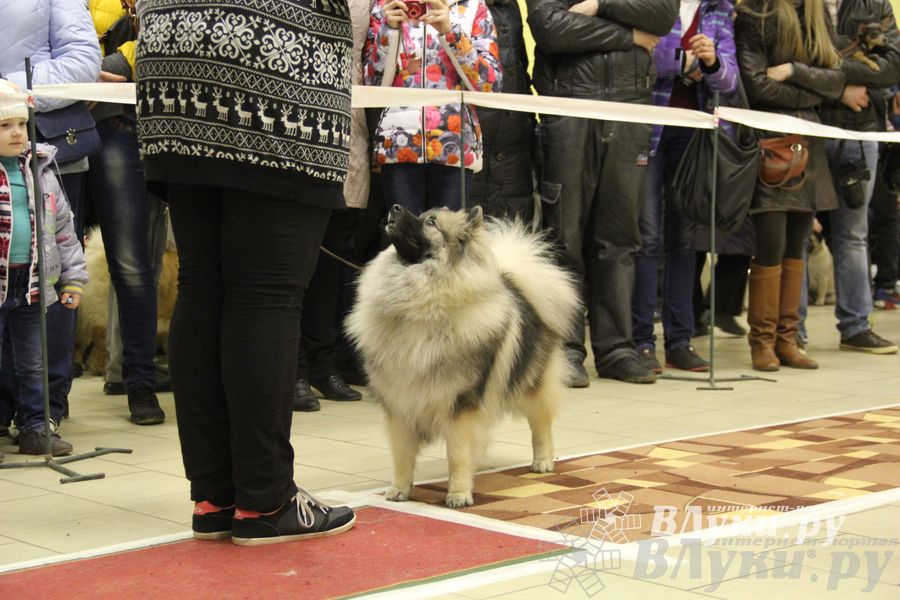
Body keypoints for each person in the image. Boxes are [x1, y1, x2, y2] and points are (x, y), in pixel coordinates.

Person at [135, 0, 356, 544]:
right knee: (265, 295)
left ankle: (215, 496)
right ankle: (265, 500)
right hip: (271, 62)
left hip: (173, 61)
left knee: (202, 286)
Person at [526, 0, 679, 385]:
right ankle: (566, 349)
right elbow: (551, 29)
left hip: (630, 110)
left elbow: (663, 16)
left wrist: (600, 5)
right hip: (568, 107)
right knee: (564, 238)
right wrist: (628, 35)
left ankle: (616, 350)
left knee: (620, 239)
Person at [0, 0, 101, 429]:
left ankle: (44, 413)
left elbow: (82, 60)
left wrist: (8, 91)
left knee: (48, 291)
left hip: (45, 151)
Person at [735, 0, 845, 371]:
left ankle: (787, 339)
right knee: (771, 244)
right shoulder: (755, 13)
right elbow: (756, 85)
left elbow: (836, 82)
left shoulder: (817, 14)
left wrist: (793, 72)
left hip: (809, 142)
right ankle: (762, 342)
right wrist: (810, 92)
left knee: (798, 244)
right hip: (770, 143)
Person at [632, 0, 739, 374]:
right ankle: (642, 341)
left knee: (684, 241)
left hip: (693, 135)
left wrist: (711, 62)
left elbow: (729, 79)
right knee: (647, 238)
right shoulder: (651, 4)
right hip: (647, 128)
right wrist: (685, 62)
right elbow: (642, 60)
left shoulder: (719, 8)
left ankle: (680, 342)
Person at [86, 0, 168, 424]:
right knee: (52, 264)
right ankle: (43, 400)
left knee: (138, 267)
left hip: (149, 119)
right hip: (79, 118)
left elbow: (171, 31)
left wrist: (119, 60)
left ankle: (139, 380)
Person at [0, 80, 88, 456]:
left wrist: (73, 279)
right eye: (5, 125)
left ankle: (35, 427)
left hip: (33, 283)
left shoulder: (42, 169)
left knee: (33, 361)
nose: (17, 132)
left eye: (22, 123)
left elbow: (64, 230)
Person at [806, 0, 899, 354]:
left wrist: (826, 71)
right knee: (798, 232)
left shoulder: (875, 4)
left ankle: (856, 326)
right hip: (806, 126)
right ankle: (790, 332)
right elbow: (794, 60)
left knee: (854, 234)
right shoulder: (799, 5)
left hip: (861, 131)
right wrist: (840, 89)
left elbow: (892, 66)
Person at [293, 0, 372, 413]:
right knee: (295, 261)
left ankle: (323, 364)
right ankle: (294, 369)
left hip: (350, 123)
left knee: (333, 260)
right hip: (299, 114)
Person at [363, 0, 502, 213]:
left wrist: (450, 31)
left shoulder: (474, 6)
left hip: (455, 145)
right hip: (398, 144)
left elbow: (490, 85)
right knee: (404, 233)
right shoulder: (385, 6)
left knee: (449, 234)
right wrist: (388, 31)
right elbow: (372, 86)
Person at [469, 0, 537, 223]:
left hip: (514, 147)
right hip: (471, 143)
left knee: (513, 231)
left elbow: (519, 71)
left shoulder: (509, 7)